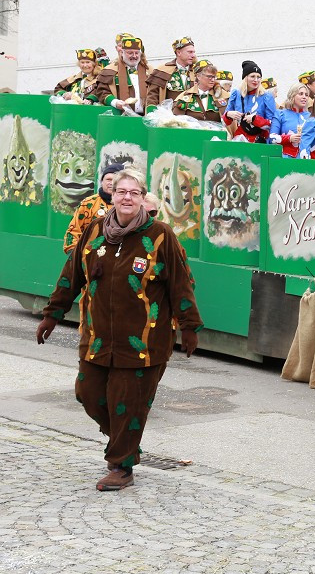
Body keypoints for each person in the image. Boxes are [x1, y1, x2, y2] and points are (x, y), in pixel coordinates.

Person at [35, 168, 202, 491]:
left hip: (144, 342)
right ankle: (125, 441)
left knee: (128, 403)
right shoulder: (96, 231)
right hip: (97, 338)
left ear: (142, 198)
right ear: (111, 196)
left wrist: (189, 327)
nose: (127, 198)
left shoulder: (161, 236)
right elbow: (73, 274)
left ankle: (121, 465)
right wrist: (52, 313)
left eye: (134, 193)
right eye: (121, 192)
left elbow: (181, 284)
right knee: (89, 394)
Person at [63, 163, 123, 254]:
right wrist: (74, 254)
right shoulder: (88, 203)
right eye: (108, 179)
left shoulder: (128, 204)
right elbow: (74, 230)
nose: (111, 183)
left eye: (115, 180)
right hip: (89, 256)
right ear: (102, 181)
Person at [93, 35, 151, 115]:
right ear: (122, 53)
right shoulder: (110, 70)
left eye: (137, 53)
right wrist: (115, 102)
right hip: (120, 116)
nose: (134, 56)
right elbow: (102, 91)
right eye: (130, 53)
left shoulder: (150, 71)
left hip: (146, 117)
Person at [223, 61, 275, 143]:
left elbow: (272, 124)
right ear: (245, 77)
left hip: (260, 141)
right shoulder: (236, 93)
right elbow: (224, 122)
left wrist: (255, 119)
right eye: (252, 76)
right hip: (240, 139)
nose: (256, 80)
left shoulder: (266, 96)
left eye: (259, 77)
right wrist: (228, 114)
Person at [145, 37, 197, 109]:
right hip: (169, 116)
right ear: (179, 52)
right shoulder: (162, 70)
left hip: (193, 116)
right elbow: (153, 95)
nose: (193, 55)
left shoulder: (198, 71)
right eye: (190, 52)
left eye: (194, 52)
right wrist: (151, 111)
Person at [270, 84, 311, 158]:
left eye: (306, 95)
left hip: (305, 161)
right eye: (301, 94)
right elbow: (271, 138)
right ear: (292, 95)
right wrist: (289, 138)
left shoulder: (311, 117)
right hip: (285, 159)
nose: (304, 97)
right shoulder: (280, 114)